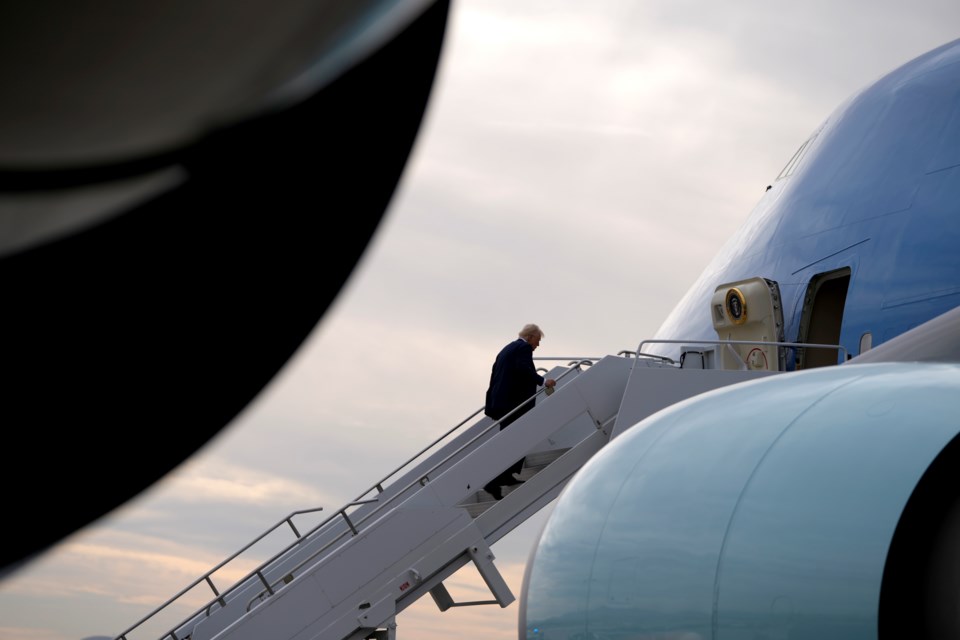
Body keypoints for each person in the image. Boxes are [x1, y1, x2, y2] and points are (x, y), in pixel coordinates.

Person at [482, 323, 557, 500]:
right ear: (530, 337)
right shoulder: (523, 348)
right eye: (537, 341)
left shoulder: (507, 349)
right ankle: (495, 481)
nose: (537, 345)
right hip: (514, 403)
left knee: (511, 439)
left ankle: (506, 475)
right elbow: (523, 369)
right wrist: (543, 381)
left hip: (502, 402)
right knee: (521, 437)